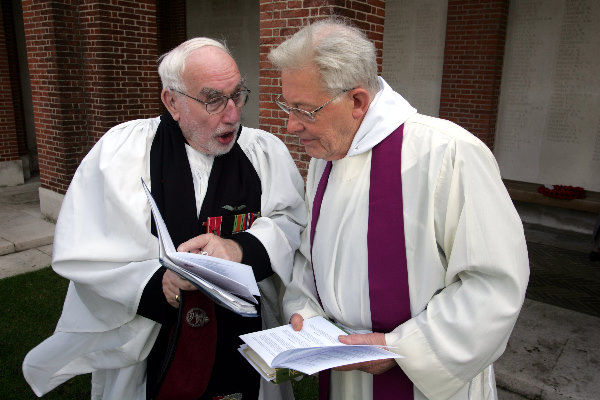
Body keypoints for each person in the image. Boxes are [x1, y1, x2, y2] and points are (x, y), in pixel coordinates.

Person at [22, 38, 306, 400]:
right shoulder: (122, 153)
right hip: (153, 344)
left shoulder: (263, 152)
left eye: (237, 95)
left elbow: (292, 221)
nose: (233, 114)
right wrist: (159, 282)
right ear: (172, 101)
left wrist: (239, 248)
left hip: (245, 338)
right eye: (213, 99)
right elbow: (89, 248)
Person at [269, 18, 530, 400]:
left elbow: (493, 283)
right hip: (339, 372)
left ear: (357, 101)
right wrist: (303, 312)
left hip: (419, 383)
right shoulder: (324, 158)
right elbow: (312, 256)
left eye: (305, 110)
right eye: (286, 106)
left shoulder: (448, 153)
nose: (291, 126)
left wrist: (402, 347)